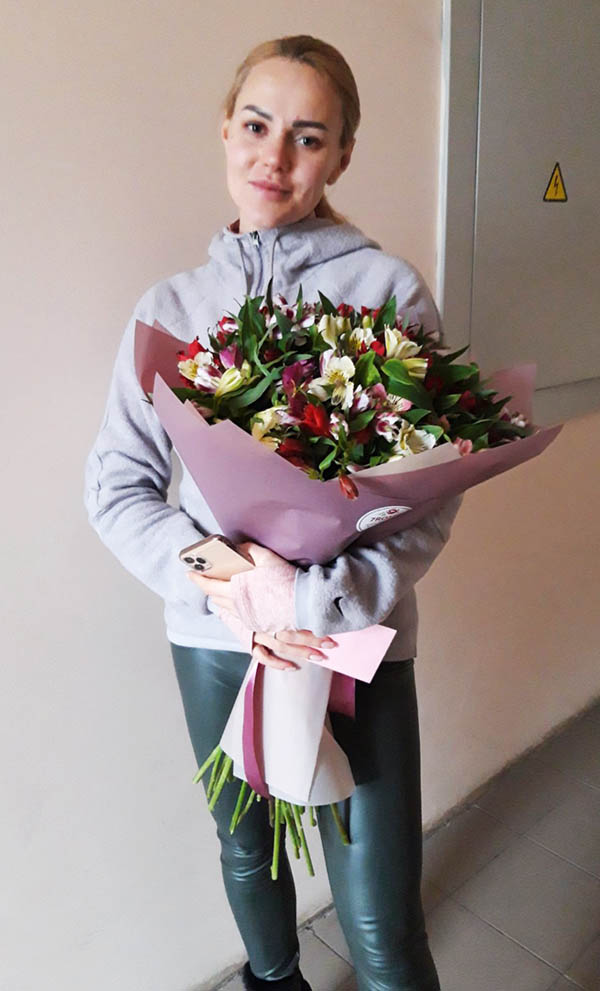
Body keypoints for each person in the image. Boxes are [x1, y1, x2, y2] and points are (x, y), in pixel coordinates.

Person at [85, 34, 461, 991]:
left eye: (308, 137)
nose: (275, 157)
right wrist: (235, 584)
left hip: (353, 636)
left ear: (341, 155)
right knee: (246, 847)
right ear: (225, 128)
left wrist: (313, 598)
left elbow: (429, 500)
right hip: (214, 638)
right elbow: (118, 486)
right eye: (256, 126)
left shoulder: (388, 293)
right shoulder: (171, 308)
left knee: (381, 921)